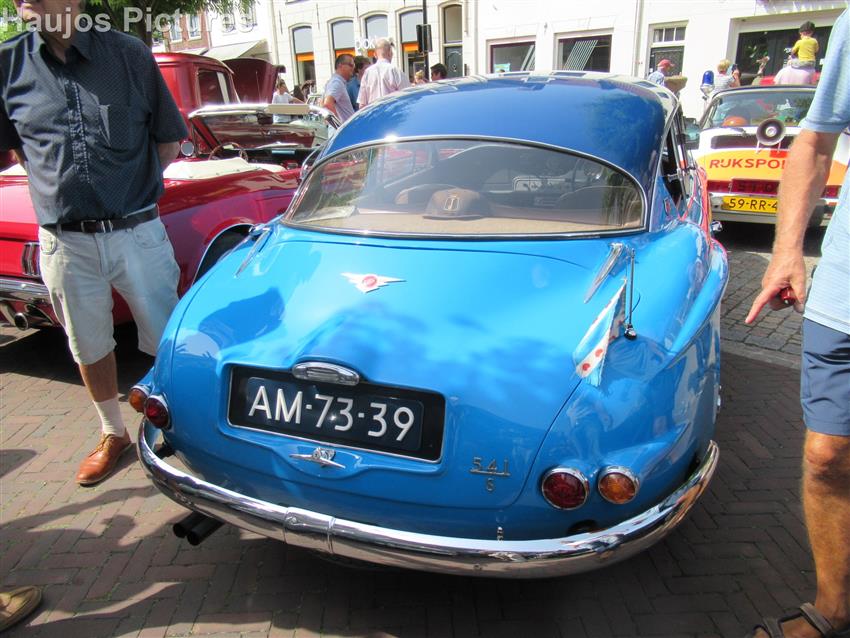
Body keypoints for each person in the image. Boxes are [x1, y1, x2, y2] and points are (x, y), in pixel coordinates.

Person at [0, 0, 187, 485]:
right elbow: (19, 150)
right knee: (86, 342)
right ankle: (112, 432)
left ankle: (180, 427)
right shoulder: (8, 63)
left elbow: (167, 141)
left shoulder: (128, 54)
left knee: (166, 337)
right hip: (64, 242)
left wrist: (125, 192)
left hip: (136, 232)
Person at [745, 9, 850, 638]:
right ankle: (834, 610)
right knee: (826, 455)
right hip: (844, 292)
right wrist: (786, 250)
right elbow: (814, 139)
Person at [357, 37, 411, 108]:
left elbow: (362, 104)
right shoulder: (395, 71)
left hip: (374, 112)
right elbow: (407, 97)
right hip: (392, 112)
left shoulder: (367, 73)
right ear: (390, 53)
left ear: (375, 55)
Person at [323, 54, 355, 122]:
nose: (353, 68)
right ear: (340, 66)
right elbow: (328, 103)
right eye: (351, 65)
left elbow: (322, 103)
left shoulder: (333, 81)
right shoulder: (337, 82)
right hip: (344, 127)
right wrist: (339, 124)